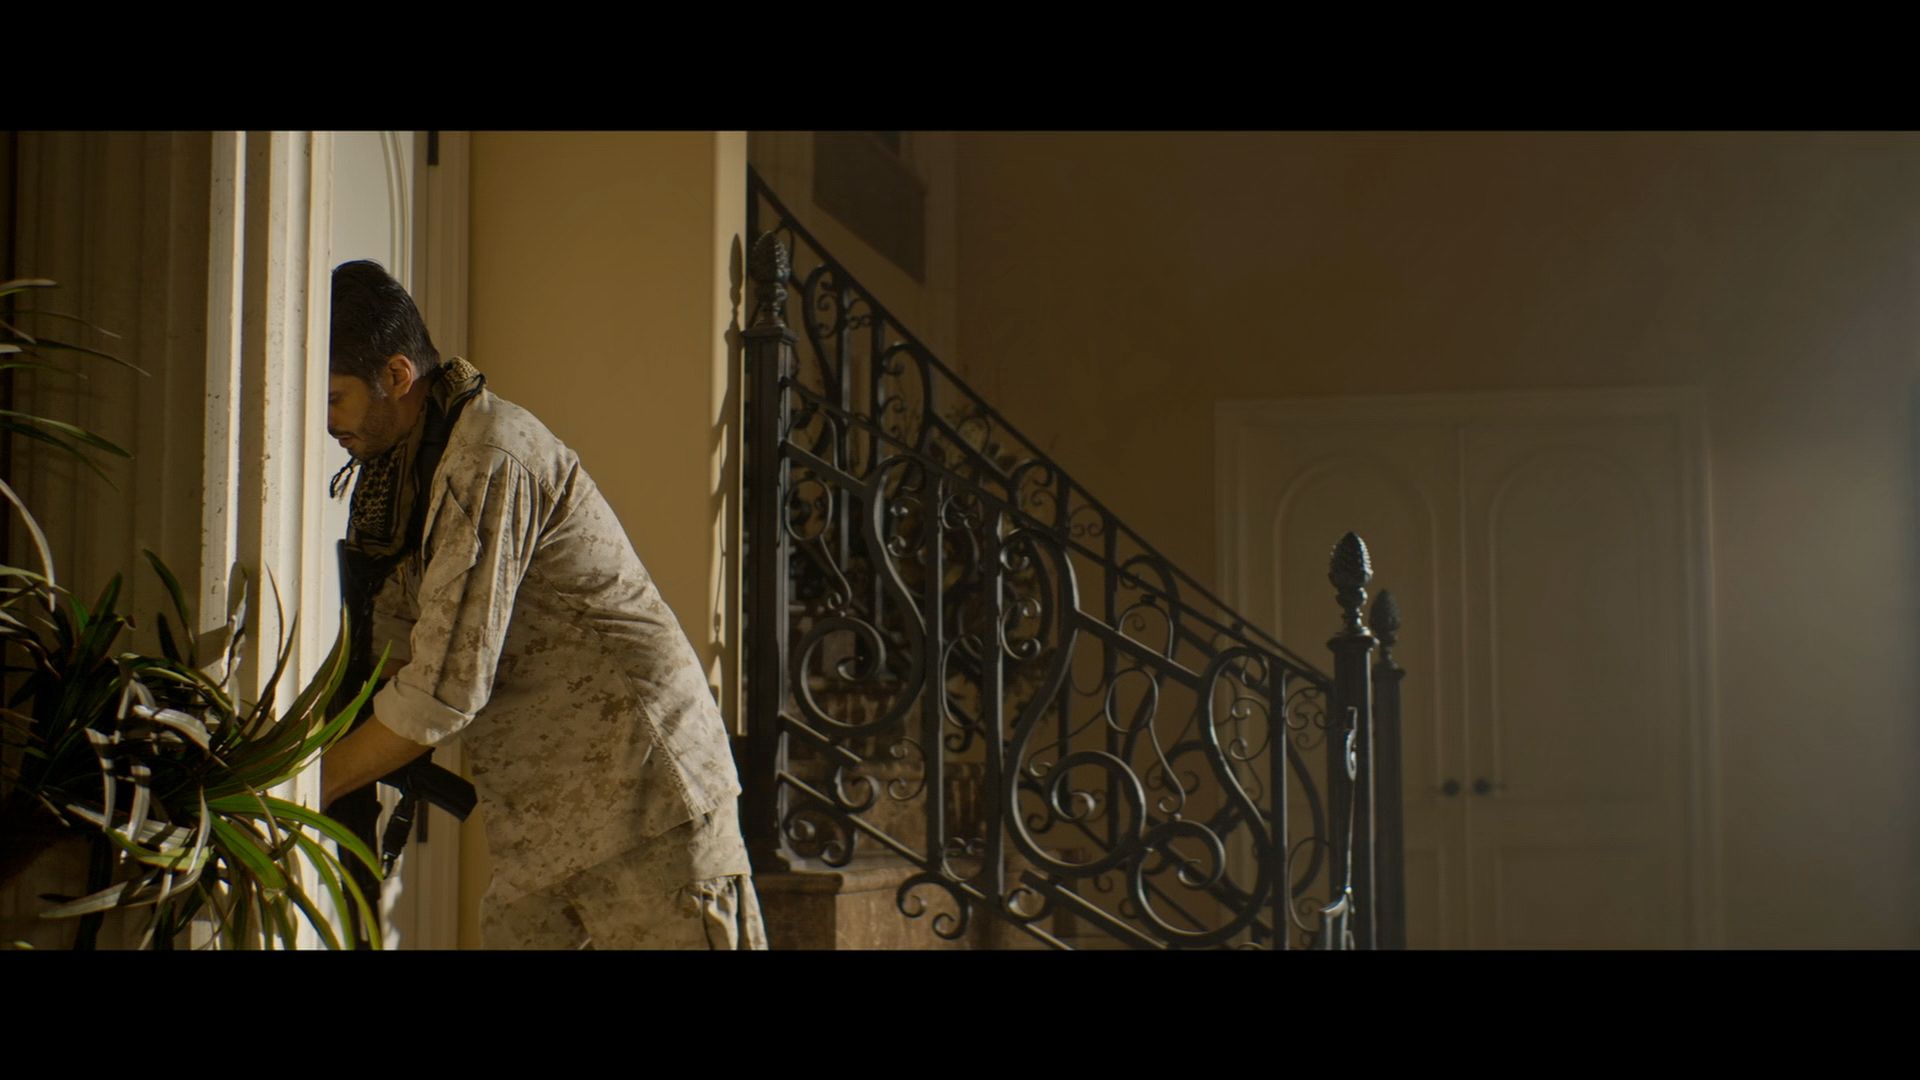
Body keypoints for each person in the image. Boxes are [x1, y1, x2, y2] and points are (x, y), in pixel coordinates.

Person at [318, 259, 764, 950]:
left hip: (646, 803)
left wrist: (298, 787)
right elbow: (395, 653)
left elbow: (443, 692)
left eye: (336, 398)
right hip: (545, 824)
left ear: (398, 376)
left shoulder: (488, 456)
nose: (326, 423)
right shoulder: (407, 472)